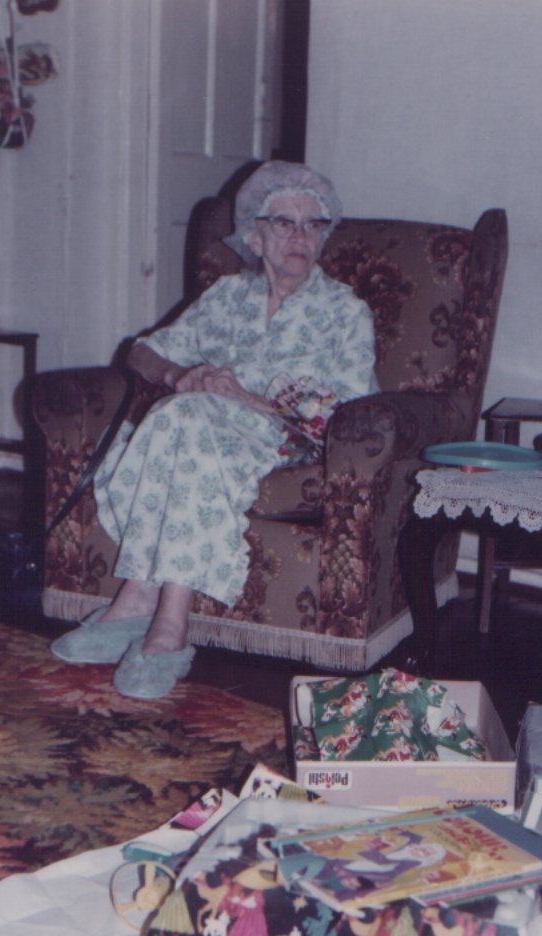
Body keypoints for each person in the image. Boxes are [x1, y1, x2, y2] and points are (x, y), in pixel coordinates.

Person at [51, 160, 378, 699]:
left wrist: (244, 398)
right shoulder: (227, 297)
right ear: (254, 235)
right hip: (204, 431)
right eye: (284, 222)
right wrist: (181, 376)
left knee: (183, 418)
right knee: (181, 416)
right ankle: (149, 610)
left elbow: (346, 415)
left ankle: (160, 617)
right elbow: (140, 352)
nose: (300, 236)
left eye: (313, 225)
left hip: (288, 440)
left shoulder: (346, 313)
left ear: (325, 236)